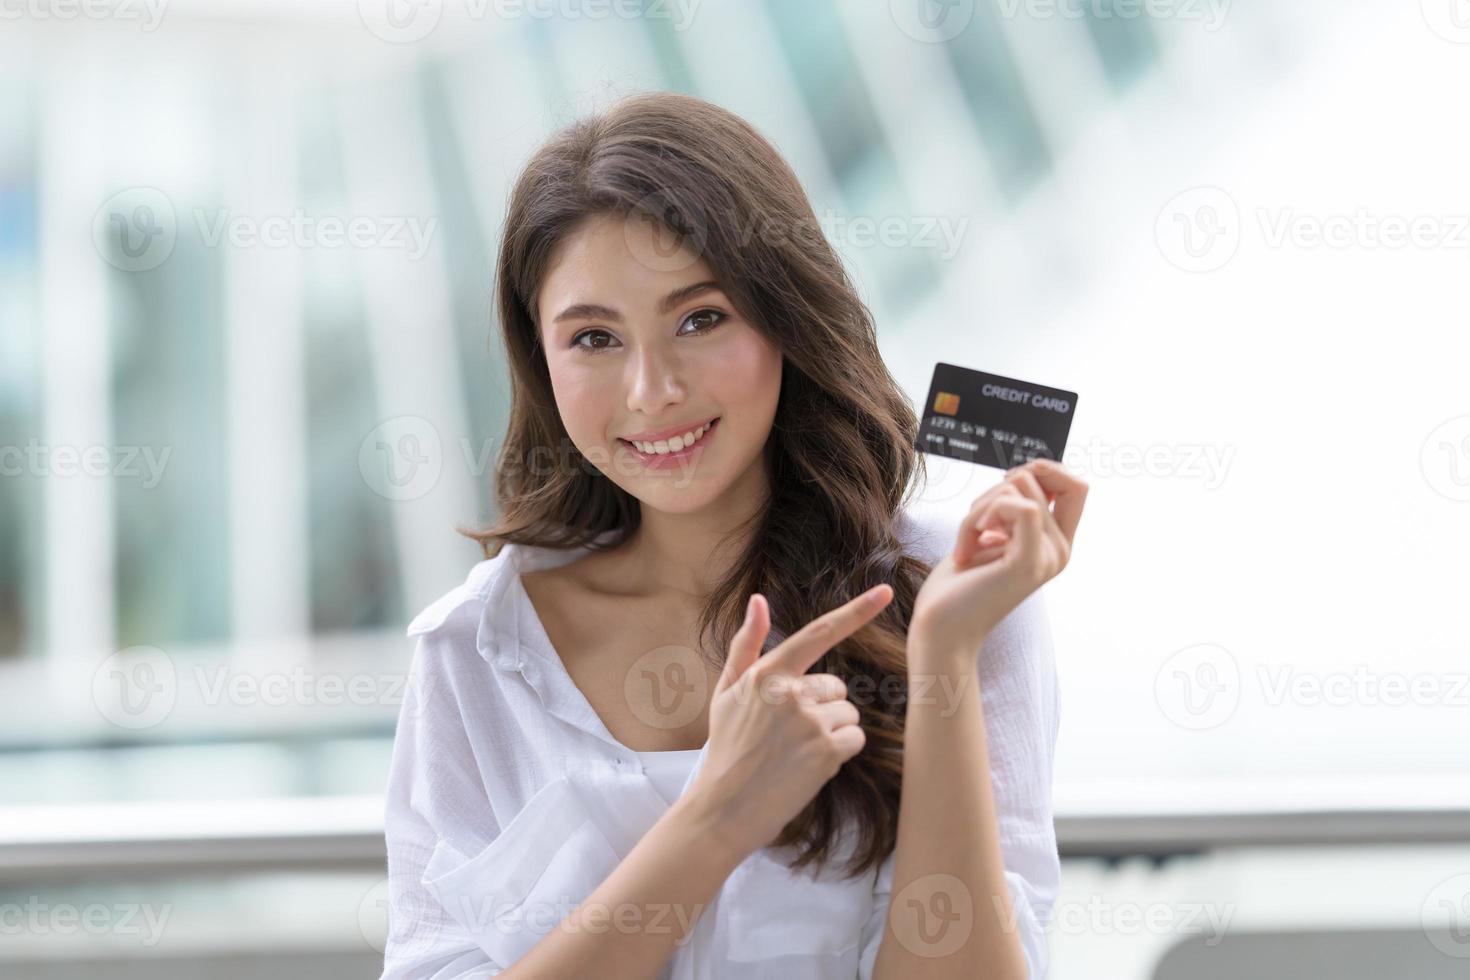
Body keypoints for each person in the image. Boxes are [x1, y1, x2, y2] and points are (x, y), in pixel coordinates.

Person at [378, 90, 1088, 980]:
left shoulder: (957, 594)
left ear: (785, 319)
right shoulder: (474, 657)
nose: (651, 390)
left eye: (700, 319)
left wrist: (942, 656)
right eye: (595, 338)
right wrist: (716, 817)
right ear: (540, 360)